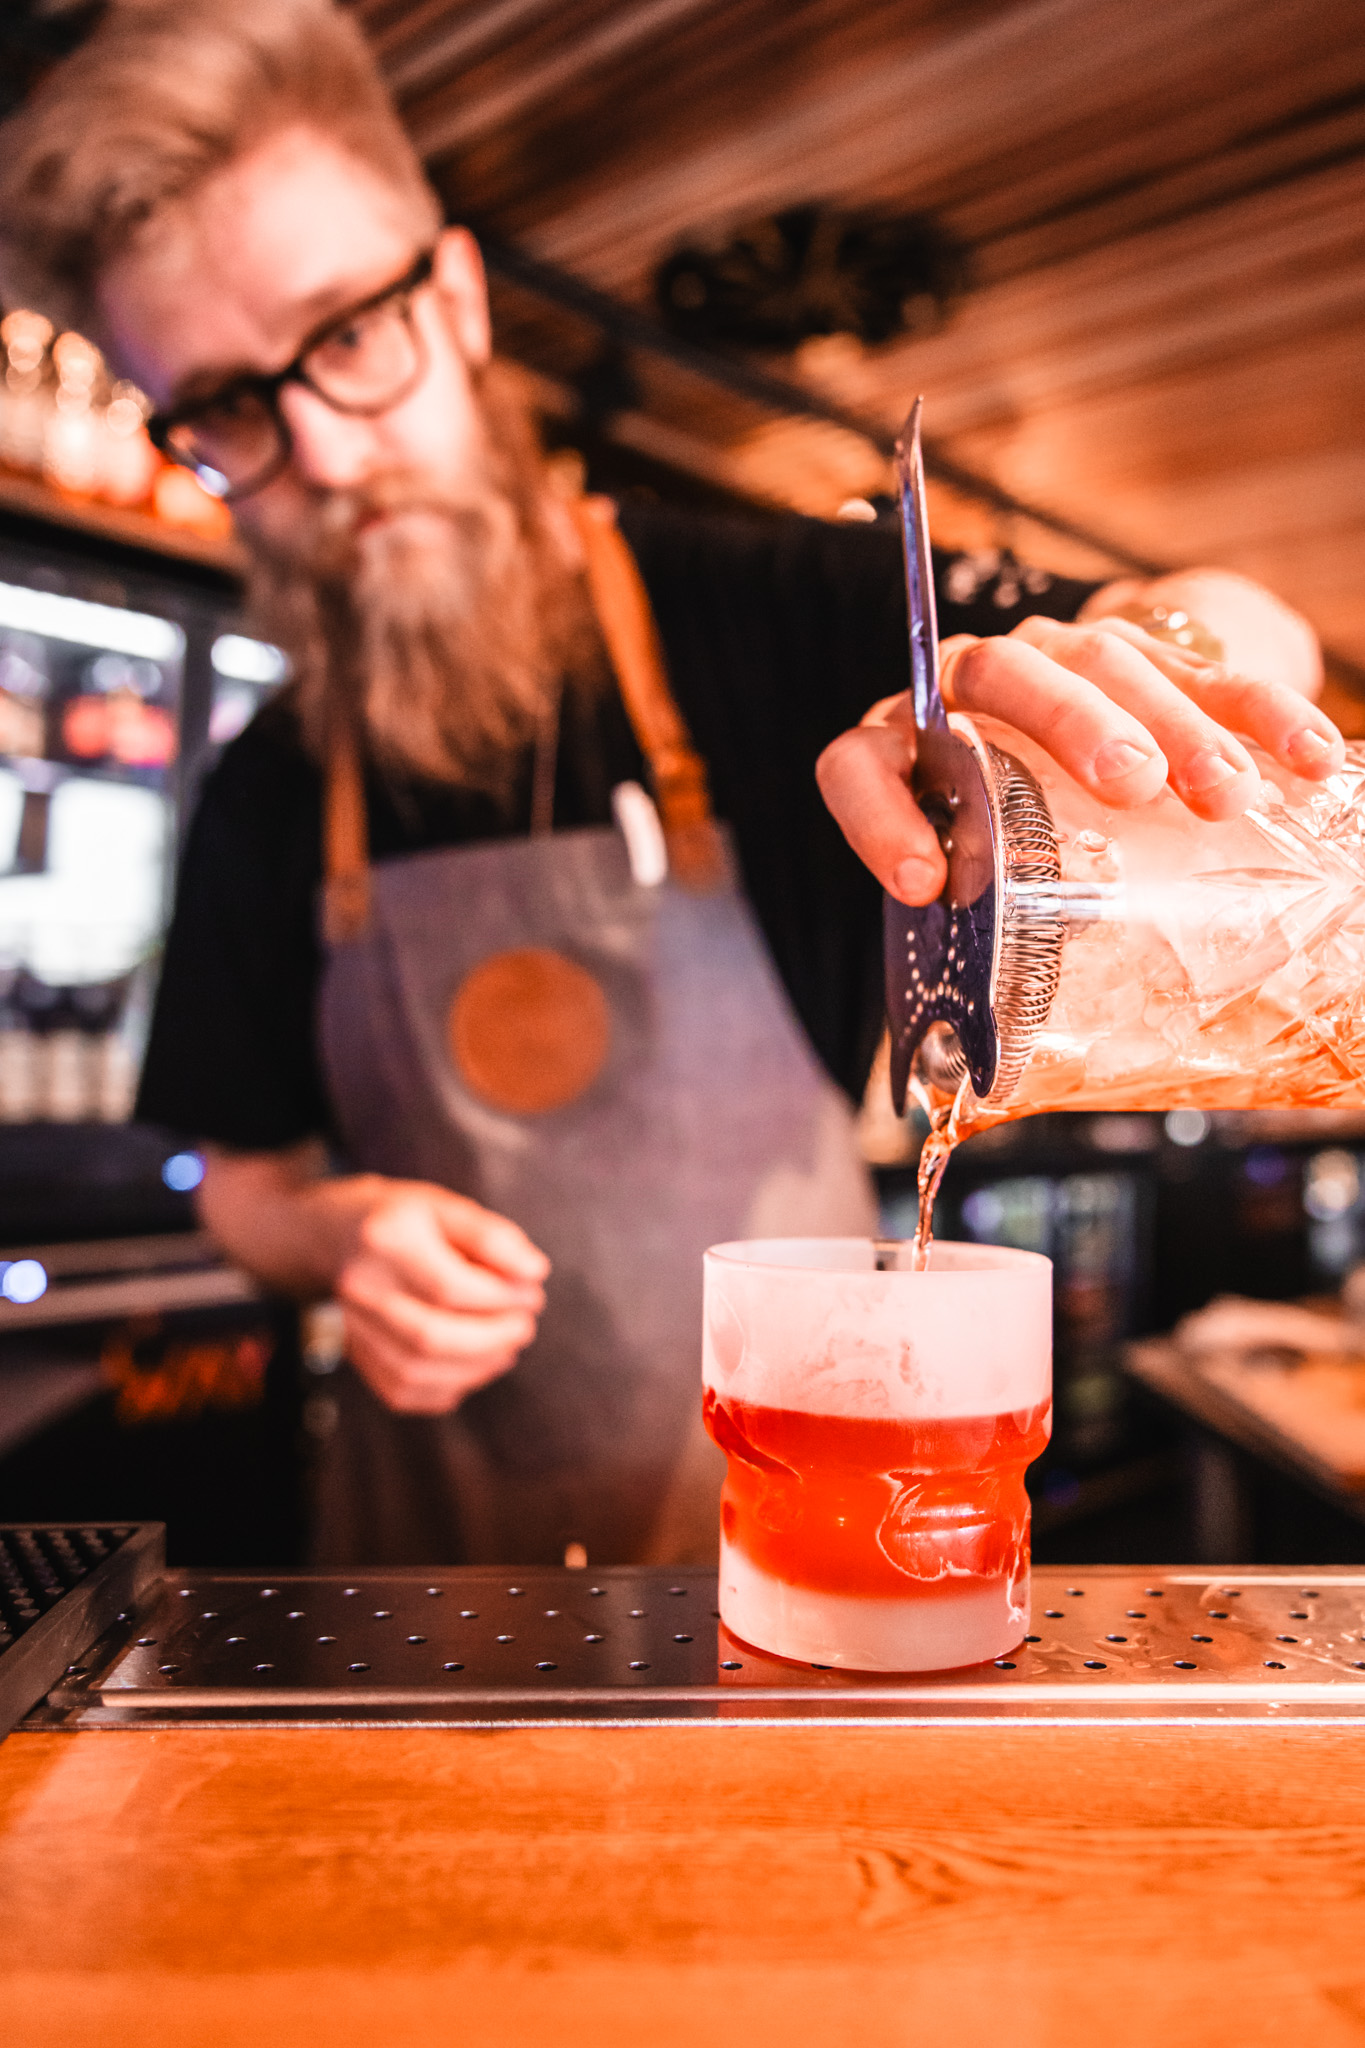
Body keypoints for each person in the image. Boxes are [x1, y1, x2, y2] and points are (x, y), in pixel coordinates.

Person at [0, 0, 1335, 1567]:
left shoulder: (758, 608)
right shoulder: (271, 782)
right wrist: (334, 1239)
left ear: (459, 298)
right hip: (416, 1592)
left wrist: (1149, 662)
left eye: (347, 335)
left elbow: (1239, 619)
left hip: (802, 1542)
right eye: (229, 405)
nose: (327, 451)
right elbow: (240, 1179)